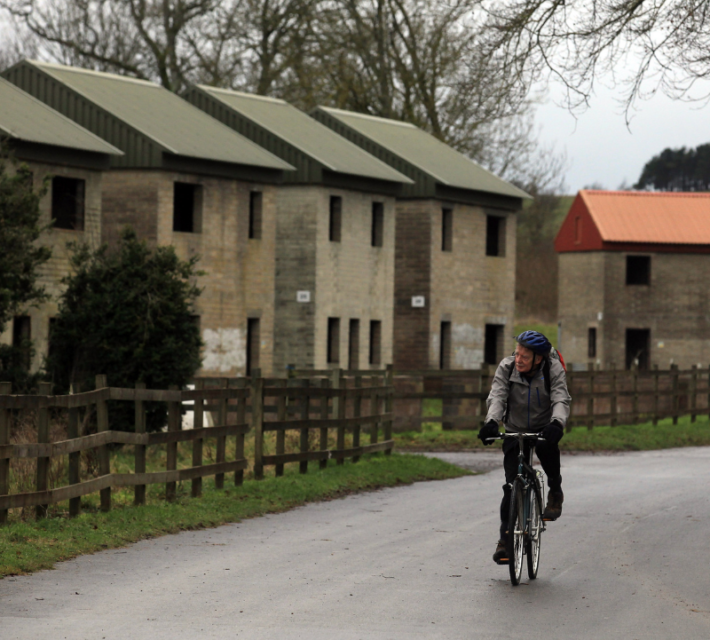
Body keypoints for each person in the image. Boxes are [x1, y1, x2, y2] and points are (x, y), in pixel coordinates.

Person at [477, 330, 571, 565]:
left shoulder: (552, 369)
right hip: (514, 427)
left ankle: (555, 491)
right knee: (511, 485)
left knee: (549, 456)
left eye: (525, 356)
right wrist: (491, 422)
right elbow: (497, 396)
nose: (518, 359)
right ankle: (505, 541)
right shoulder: (507, 368)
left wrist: (557, 423)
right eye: (517, 353)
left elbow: (560, 398)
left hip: (543, 427)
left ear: (538, 359)